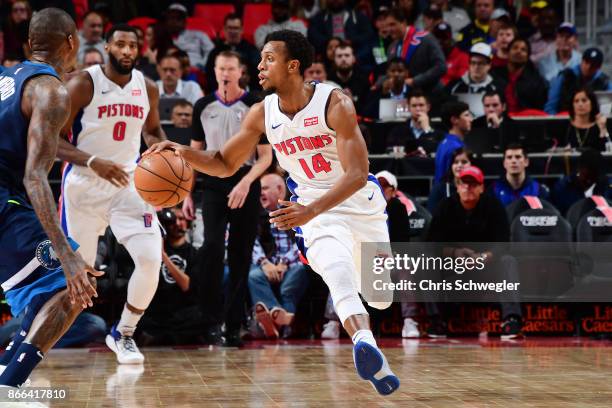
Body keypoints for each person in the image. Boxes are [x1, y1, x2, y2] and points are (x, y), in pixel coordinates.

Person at [147, 30, 400, 395]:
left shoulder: (334, 103)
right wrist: (181, 151)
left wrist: (310, 209)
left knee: (381, 296)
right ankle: (365, 340)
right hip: (313, 211)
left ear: (293, 66)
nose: (259, 66)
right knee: (335, 268)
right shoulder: (261, 113)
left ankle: (367, 329)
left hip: (359, 205)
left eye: (269, 58)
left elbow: (358, 175)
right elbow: (222, 162)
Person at [0, 7, 102, 390]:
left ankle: (7, 369)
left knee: (42, 292)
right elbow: (34, 176)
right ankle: (9, 387)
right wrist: (67, 252)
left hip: (8, 198)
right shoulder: (52, 90)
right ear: (72, 44)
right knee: (74, 288)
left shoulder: (5, 77)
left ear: (29, 44)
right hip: (4, 198)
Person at [56, 24, 167, 365]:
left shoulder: (147, 88)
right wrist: (92, 160)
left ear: (140, 49)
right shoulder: (82, 84)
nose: (126, 51)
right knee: (78, 277)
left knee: (150, 258)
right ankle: (33, 342)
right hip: (84, 184)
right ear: (106, 46)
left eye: (132, 45)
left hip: (129, 182)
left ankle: (124, 333)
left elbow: (152, 131)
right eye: (120, 44)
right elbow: (52, 141)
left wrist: (166, 156)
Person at [185, 50, 273, 347]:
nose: (225, 73)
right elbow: (194, 152)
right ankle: (209, 320)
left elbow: (266, 158)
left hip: (245, 182)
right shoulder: (202, 105)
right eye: (220, 68)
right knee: (210, 247)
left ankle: (234, 325)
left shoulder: (254, 105)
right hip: (212, 183)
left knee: (240, 254)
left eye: (230, 68)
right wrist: (186, 193)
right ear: (214, 70)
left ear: (240, 71)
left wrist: (247, 182)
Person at [426, 165, 523, 339]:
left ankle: (511, 320)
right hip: (453, 268)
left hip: (486, 268)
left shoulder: (493, 205)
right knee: (426, 261)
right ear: (457, 185)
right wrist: (455, 253)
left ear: (481, 187)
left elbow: (504, 243)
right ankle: (436, 321)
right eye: (464, 183)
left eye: (473, 184)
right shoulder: (445, 206)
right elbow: (432, 244)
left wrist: (484, 257)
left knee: (508, 260)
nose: (468, 188)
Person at [249, 173, 310, 339]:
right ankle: (281, 321)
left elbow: (303, 241)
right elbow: (251, 242)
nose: (261, 192)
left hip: (292, 264)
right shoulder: (254, 214)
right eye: (260, 189)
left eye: (265, 188)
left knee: (291, 283)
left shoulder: (296, 209)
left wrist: (283, 263)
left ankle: (273, 324)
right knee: (253, 275)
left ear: (281, 190)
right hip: (267, 265)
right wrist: (265, 263)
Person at [139, 207, 201, 345]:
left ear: (188, 223)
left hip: (181, 310)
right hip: (158, 310)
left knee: (199, 316)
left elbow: (186, 285)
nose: (178, 223)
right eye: (173, 220)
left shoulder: (194, 253)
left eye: (181, 219)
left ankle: (160, 338)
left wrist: (164, 257)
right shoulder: (153, 249)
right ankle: (164, 337)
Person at [385, 8, 447, 96]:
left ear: (403, 22)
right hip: (405, 98)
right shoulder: (392, 47)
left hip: (431, 95)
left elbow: (441, 67)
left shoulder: (426, 39)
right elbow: (389, 73)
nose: (389, 29)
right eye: (387, 26)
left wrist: (415, 81)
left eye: (392, 24)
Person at [545, 48, 612, 115]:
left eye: (593, 65)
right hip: (565, 119)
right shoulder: (565, 76)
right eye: (586, 62)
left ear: (599, 67)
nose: (588, 67)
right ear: (582, 61)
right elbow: (551, 106)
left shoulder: (604, 82)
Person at [206, 14, 261, 93]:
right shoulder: (215, 52)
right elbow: (210, 77)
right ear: (224, 29)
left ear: (242, 30)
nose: (232, 31)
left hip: (248, 93)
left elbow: (258, 75)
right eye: (229, 28)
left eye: (236, 28)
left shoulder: (251, 50)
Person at [492, 37, 548, 113]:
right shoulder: (494, 75)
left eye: (523, 50)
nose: (519, 51)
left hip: (526, 121)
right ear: (508, 53)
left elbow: (539, 108)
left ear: (527, 57)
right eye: (515, 48)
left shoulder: (536, 81)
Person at [307, 0, 374, 63]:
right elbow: (312, 35)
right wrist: (329, 42)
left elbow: (368, 35)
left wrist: (352, 41)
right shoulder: (318, 17)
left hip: (354, 57)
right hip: (327, 59)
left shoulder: (358, 16)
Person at [551, 149, 612, 215]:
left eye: (593, 177)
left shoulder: (607, 187)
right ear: (579, 169)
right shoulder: (563, 187)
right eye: (586, 176)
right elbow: (555, 214)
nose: (588, 181)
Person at [387, 89, 444, 155]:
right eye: (414, 106)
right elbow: (390, 152)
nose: (418, 109)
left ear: (428, 107)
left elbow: (439, 151)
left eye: (421, 105)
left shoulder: (439, 130)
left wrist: (427, 129)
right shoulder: (397, 131)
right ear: (408, 108)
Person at [164, 3, 214, 70]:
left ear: (185, 21)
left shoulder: (199, 35)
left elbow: (211, 51)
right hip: (169, 70)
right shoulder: (161, 37)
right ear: (167, 20)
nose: (174, 21)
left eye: (178, 18)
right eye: (172, 18)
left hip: (195, 69)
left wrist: (202, 65)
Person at [434, 101, 472, 183]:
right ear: (454, 120)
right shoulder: (456, 147)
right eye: (466, 115)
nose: (471, 119)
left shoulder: (444, 142)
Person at [427, 148, 473, 212]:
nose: (459, 165)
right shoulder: (439, 189)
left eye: (464, 162)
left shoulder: (477, 188)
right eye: (456, 162)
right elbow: (431, 216)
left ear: (472, 165)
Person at [328, 42, 370, 112]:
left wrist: (352, 102)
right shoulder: (329, 80)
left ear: (353, 58)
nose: (343, 59)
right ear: (334, 60)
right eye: (339, 56)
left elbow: (367, 109)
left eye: (347, 55)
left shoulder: (363, 80)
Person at [432, 22, 469, 86]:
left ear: (450, 39)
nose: (440, 41)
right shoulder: (428, 56)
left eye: (444, 38)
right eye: (437, 38)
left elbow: (461, 82)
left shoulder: (463, 57)